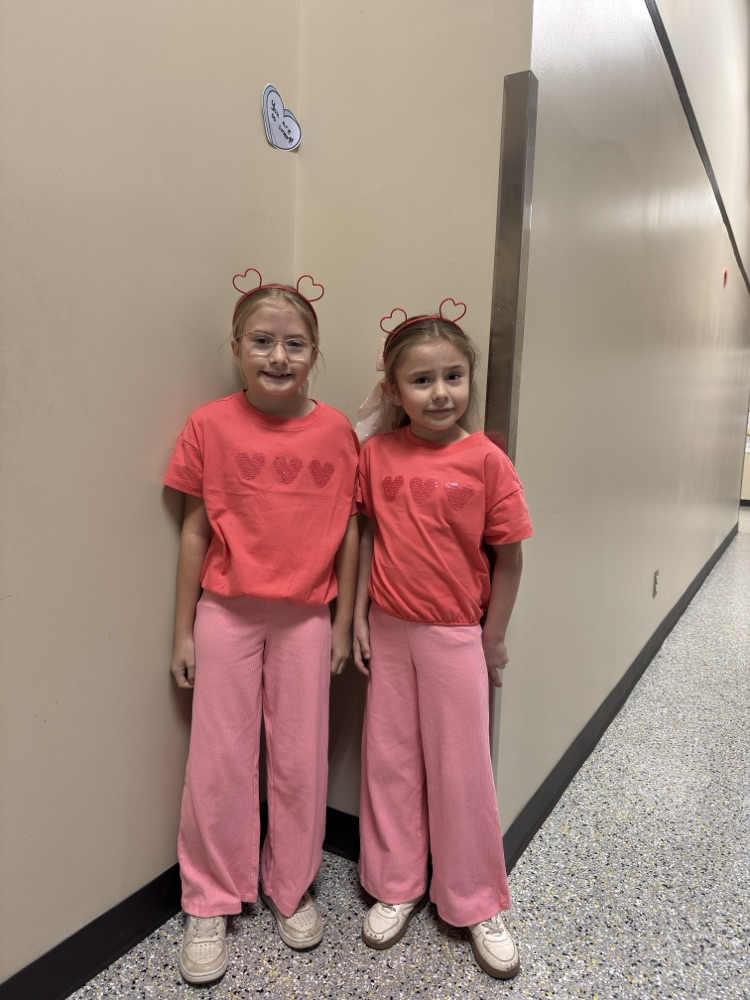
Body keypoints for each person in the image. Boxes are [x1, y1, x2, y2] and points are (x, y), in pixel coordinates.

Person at [164, 268, 359, 984]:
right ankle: (210, 900)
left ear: (315, 352)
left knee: (300, 758)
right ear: (238, 346)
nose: (279, 356)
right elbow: (192, 532)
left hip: (307, 616)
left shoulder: (338, 430)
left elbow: (347, 530)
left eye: (295, 343)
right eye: (263, 341)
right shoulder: (209, 424)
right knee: (218, 759)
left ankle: (291, 887)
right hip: (227, 611)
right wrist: (182, 630)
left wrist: (341, 623)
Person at [353, 301, 533, 980]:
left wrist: (493, 638)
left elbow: (510, 556)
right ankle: (395, 885)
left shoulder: (487, 460)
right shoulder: (376, 453)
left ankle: (476, 899)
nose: (439, 393)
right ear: (395, 391)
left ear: (470, 379)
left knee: (461, 771)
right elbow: (365, 533)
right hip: (389, 628)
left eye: (452, 377)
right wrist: (361, 621)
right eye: (420, 381)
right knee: (390, 760)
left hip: (457, 633)